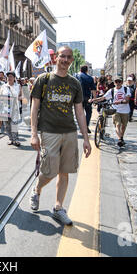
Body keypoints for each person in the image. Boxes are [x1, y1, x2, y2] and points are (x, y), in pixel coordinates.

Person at [29, 46, 91, 226]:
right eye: (62, 56)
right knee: (49, 171)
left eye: (68, 57)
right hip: (49, 132)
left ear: (72, 60)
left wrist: (86, 138)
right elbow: (34, 108)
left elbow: (80, 113)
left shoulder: (75, 83)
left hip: (70, 132)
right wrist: (34, 134)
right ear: (56, 58)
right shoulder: (44, 79)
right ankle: (37, 189)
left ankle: (58, 207)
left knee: (65, 172)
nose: (65, 60)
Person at [91, 77, 131, 147]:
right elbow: (103, 97)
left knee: (123, 126)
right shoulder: (112, 90)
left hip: (125, 111)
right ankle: (119, 140)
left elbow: (127, 100)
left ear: (121, 82)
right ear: (114, 83)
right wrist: (93, 100)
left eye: (119, 81)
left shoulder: (126, 89)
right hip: (115, 110)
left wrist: (119, 102)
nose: (118, 83)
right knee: (117, 125)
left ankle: (121, 137)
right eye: (116, 81)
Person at [0, 71, 22, 146]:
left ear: (14, 78)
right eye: (8, 77)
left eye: (11, 76)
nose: (9, 78)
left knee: (14, 124)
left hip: (14, 108)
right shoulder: (3, 86)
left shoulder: (18, 86)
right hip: (5, 108)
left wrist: (18, 98)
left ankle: (16, 139)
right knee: (7, 125)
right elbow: (1, 96)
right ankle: (10, 139)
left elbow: (22, 96)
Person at [76, 65, 97, 133]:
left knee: (79, 113)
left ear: (80, 69)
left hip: (77, 98)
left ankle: (81, 128)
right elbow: (93, 89)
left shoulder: (76, 76)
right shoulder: (90, 78)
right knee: (88, 112)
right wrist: (94, 99)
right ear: (87, 70)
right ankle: (85, 126)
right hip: (87, 98)